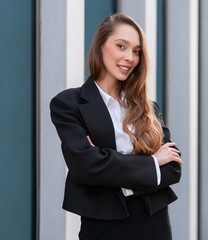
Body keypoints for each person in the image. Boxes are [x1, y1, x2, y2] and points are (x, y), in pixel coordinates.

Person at [50, 13, 182, 240]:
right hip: (103, 226)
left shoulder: (148, 108)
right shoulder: (69, 104)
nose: (130, 57)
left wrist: (107, 160)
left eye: (137, 51)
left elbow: (172, 168)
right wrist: (152, 162)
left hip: (154, 224)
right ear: (100, 46)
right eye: (121, 46)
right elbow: (86, 166)